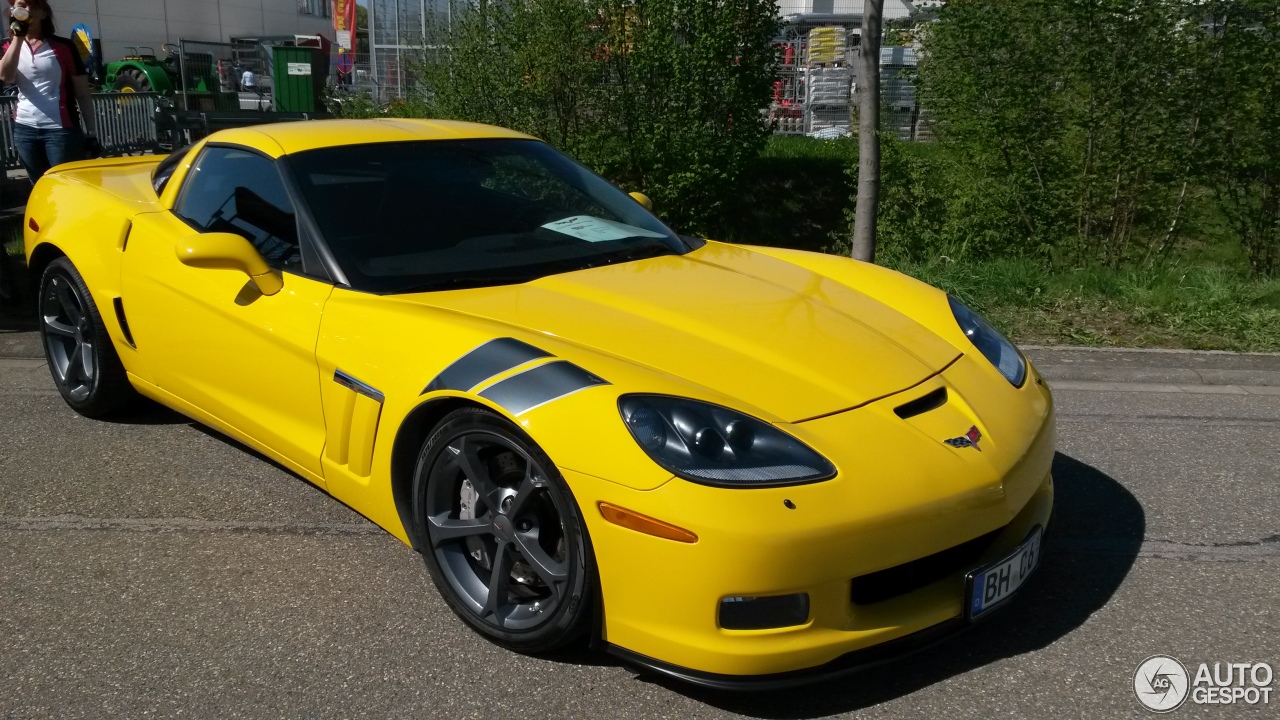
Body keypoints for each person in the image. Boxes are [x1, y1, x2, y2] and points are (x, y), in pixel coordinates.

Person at [0, 0, 98, 184]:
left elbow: (83, 93)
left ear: (43, 13)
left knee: (65, 185)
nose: (21, 10)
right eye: (16, 6)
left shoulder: (64, 47)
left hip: (60, 130)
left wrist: (91, 133)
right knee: (39, 186)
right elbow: (6, 77)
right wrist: (18, 38)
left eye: (26, 5)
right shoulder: (8, 47)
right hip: (25, 129)